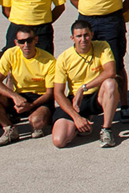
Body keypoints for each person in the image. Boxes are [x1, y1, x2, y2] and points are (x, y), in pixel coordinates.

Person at [67, 0, 129, 117]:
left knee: (117, 64)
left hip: (112, 22)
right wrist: (88, 10)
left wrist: (117, 11)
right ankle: (91, 101)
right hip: (87, 21)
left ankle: (124, 105)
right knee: (86, 62)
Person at [51, 19, 120, 149]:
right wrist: (76, 117)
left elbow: (110, 72)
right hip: (76, 101)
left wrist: (83, 88)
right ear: (72, 38)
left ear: (92, 35)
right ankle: (81, 123)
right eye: (78, 36)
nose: (83, 39)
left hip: (97, 96)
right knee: (59, 141)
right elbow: (58, 93)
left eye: (86, 35)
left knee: (111, 84)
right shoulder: (64, 58)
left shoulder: (102, 46)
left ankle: (106, 129)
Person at [0, 25, 56, 146]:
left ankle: (42, 121)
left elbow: (50, 93)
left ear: (36, 40)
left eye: (29, 40)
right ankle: (9, 129)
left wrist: (31, 105)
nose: (26, 45)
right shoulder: (10, 54)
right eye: (21, 41)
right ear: (16, 42)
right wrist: (14, 96)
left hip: (39, 98)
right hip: (18, 97)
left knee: (36, 122)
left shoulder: (49, 60)